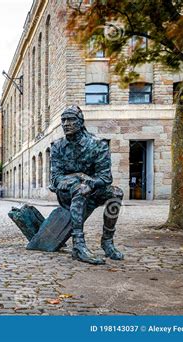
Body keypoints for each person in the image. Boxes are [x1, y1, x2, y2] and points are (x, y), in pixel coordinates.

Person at [49, 105, 124, 265]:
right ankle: (78, 246)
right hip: (67, 194)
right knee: (79, 188)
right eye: (63, 120)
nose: (66, 124)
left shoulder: (97, 145)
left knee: (116, 193)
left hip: (93, 189)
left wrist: (90, 183)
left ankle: (107, 242)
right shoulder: (57, 147)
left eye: (71, 120)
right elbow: (55, 179)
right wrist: (79, 177)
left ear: (81, 122)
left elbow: (105, 177)